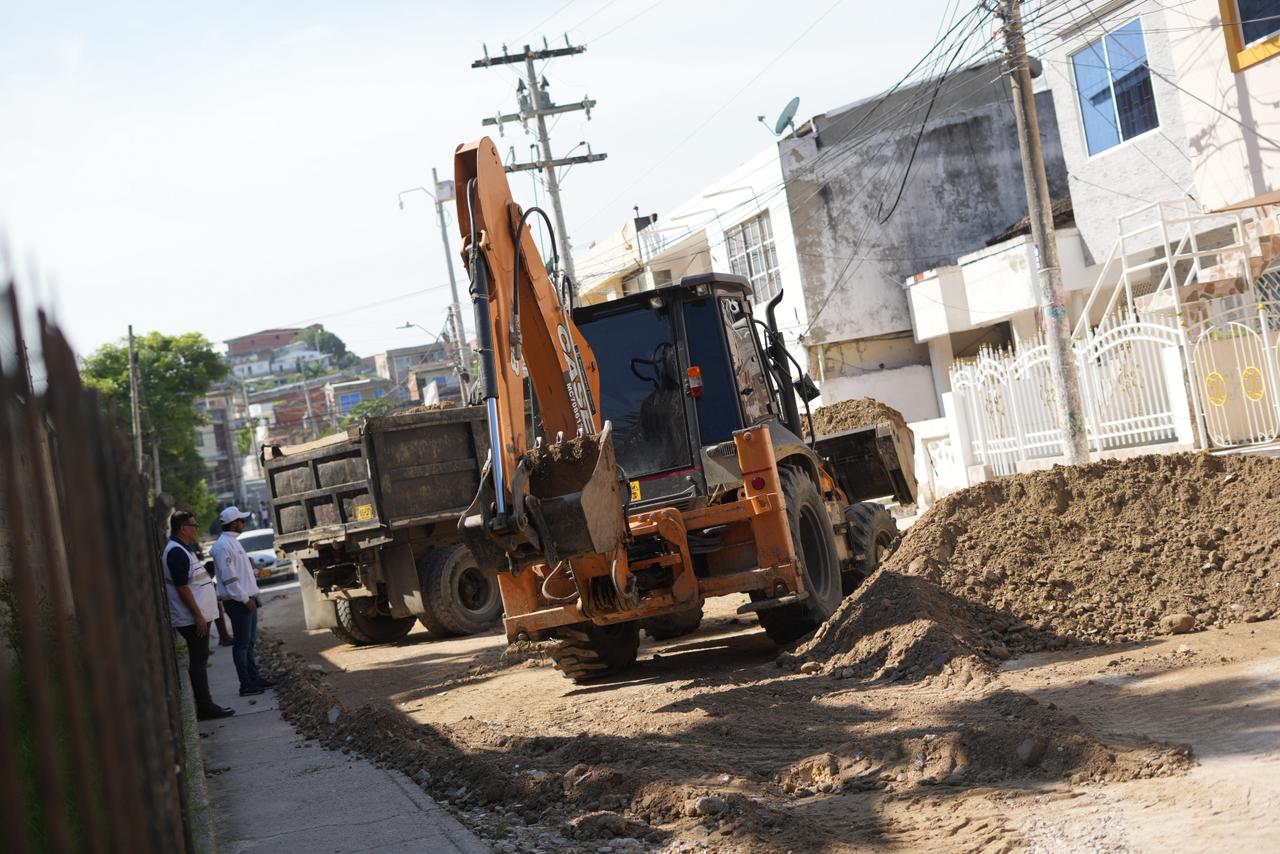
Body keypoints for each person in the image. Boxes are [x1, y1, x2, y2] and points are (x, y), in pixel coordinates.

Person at [164, 511, 234, 721]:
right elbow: (182, 587)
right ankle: (205, 706)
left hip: (197, 616)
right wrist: (198, 616)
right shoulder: (176, 552)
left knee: (200, 659)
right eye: (193, 525)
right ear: (183, 528)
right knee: (198, 661)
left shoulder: (184, 549)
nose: (196, 529)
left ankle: (206, 704)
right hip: (191, 619)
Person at [211, 506, 276, 697]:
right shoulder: (223, 546)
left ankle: (254, 678)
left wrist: (252, 596)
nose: (243, 523)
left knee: (249, 643)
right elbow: (229, 579)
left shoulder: (232, 542)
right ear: (233, 523)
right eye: (241, 520)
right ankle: (246, 684)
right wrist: (245, 599)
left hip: (247, 599)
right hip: (239, 602)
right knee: (242, 644)